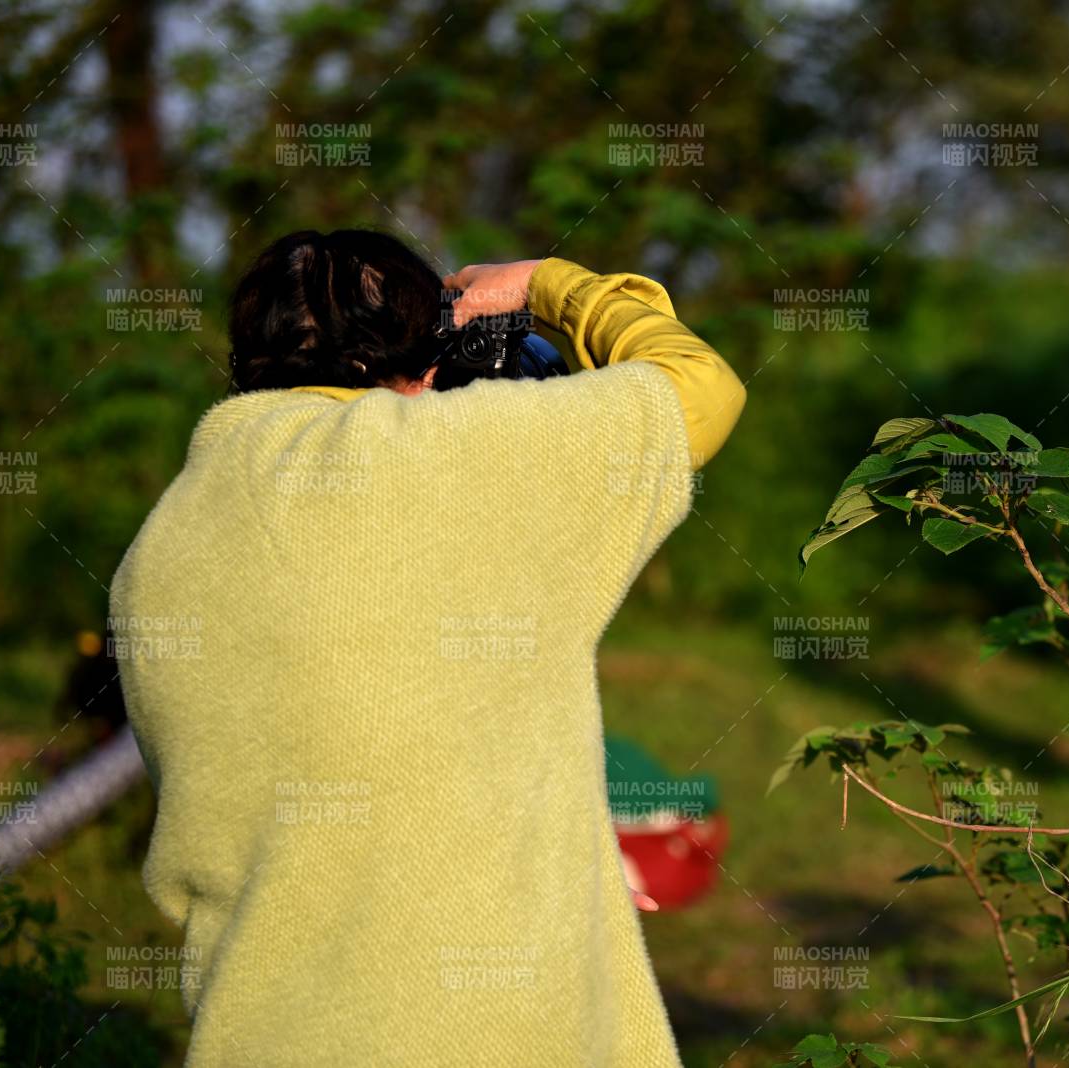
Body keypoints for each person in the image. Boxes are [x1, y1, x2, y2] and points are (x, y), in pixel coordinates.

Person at [109, 230, 745, 1066]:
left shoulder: (157, 551)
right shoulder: (459, 458)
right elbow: (703, 389)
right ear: (424, 361)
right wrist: (548, 285)